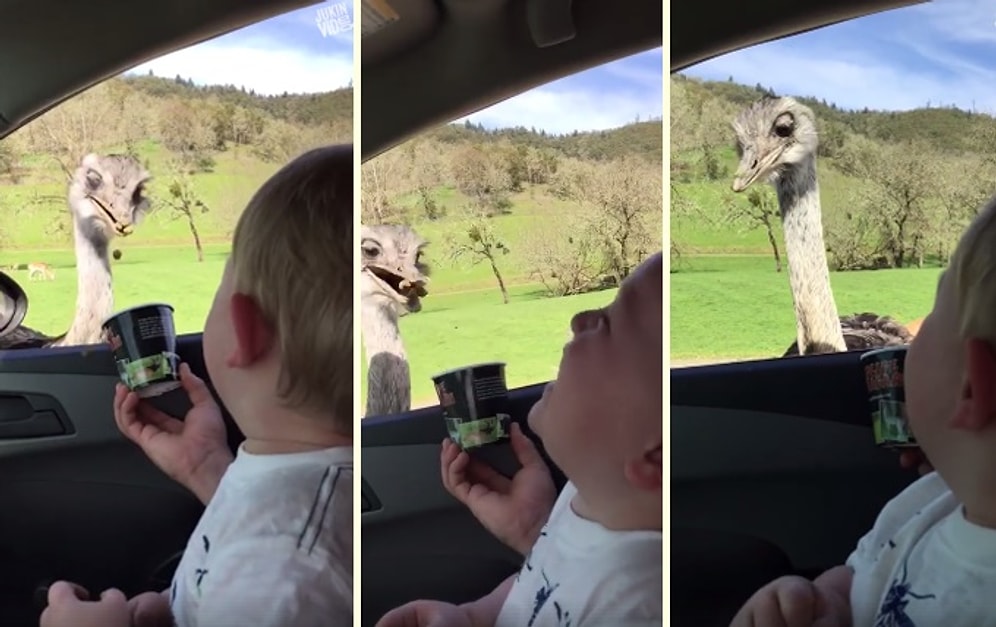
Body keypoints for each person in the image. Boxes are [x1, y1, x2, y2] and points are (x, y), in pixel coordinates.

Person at [40, 144, 354, 627]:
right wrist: (208, 469)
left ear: (244, 331)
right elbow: (255, 535)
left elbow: (270, 568)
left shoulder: (286, 579)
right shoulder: (300, 479)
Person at [730, 193, 996, 627]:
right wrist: (828, 601)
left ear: (971, 388)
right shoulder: (930, 500)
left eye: (931, 316)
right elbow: (861, 579)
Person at [376, 252, 664, 627]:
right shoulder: (586, 498)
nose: (580, 319)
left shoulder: (636, 607)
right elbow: (538, 589)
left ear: (655, 458)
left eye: (608, 325)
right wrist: (472, 616)